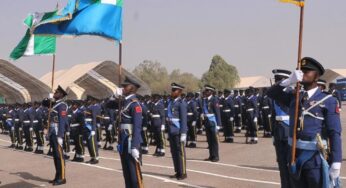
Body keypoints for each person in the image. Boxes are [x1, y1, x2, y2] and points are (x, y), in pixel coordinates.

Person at [268, 57, 342, 188]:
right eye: (301, 70)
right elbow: (271, 93)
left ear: (316, 76)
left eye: (307, 71)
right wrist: (288, 81)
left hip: (314, 160)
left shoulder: (328, 100)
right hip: (294, 157)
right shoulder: (294, 97)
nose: (303, 73)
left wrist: (336, 161)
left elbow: (334, 132)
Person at [117, 77, 144, 188]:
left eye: (125, 86)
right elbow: (107, 105)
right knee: (126, 173)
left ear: (132, 88)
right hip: (123, 140)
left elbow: (137, 127)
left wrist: (135, 146)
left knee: (134, 175)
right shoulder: (124, 102)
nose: (123, 88)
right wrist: (114, 96)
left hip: (130, 141)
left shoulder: (135, 104)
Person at [269, 69, 292, 188]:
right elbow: (273, 116)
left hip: (289, 130)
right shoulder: (273, 95)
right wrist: (273, 133)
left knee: (291, 164)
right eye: (276, 80)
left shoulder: (292, 93)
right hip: (278, 131)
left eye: (279, 80)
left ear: (286, 80)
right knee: (282, 165)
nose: (277, 82)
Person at [48, 85, 68, 185]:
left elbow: (62, 121)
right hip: (52, 132)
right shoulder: (54, 104)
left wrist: (60, 135)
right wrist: (49, 98)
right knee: (55, 156)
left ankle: (62, 177)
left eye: (56, 92)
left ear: (61, 94)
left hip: (57, 132)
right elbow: (43, 103)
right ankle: (57, 176)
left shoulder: (62, 105)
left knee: (59, 156)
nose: (54, 93)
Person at [167, 83, 188, 180]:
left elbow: (183, 119)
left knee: (180, 152)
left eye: (174, 90)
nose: (172, 92)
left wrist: (183, 133)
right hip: (172, 130)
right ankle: (177, 171)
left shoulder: (182, 103)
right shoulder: (171, 102)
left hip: (178, 130)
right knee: (173, 152)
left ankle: (183, 172)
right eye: (172, 90)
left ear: (179, 92)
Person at [202, 85, 221, 162]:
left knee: (214, 140)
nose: (206, 92)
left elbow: (217, 112)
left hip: (212, 121)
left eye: (207, 91)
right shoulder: (205, 100)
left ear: (211, 92)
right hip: (207, 121)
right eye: (205, 91)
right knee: (209, 140)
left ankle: (216, 156)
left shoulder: (214, 100)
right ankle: (211, 155)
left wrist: (218, 124)